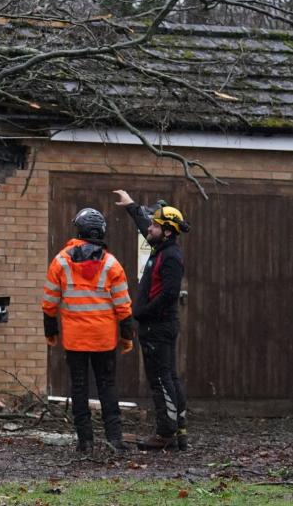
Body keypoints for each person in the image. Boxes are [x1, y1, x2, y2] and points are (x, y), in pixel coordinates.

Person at [42, 207, 135, 453]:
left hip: (75, 340)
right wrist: (127, 337)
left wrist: (50, 331)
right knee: (107, 386)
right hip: (104, 339)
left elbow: (49, 301)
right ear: (101, 231)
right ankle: (114, 439)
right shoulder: (112, 264)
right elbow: (123, 305)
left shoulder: (61, 261)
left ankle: (85, 441)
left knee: (79, 388)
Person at [113, 190, 189, 451]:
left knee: (160, 379)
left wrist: (142, 313)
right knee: (168, 376)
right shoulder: (162, 248)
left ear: (167, 231)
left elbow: (168, 295)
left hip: (158, 327)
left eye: (156, 225)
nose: (150, 227)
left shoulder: (170, 257)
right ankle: (178, 430)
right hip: (157, 326)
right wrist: (131, 206)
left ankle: (166, 434)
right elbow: (145, 225)